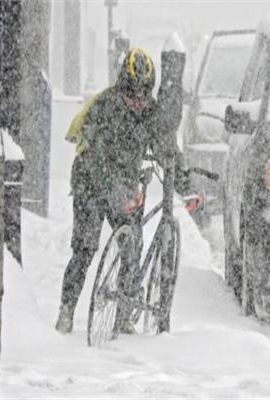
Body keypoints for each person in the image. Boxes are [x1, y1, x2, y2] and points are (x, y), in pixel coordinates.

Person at [56, 48, 189, 334]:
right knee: (85, 248)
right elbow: (95, 159)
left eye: (144, 95)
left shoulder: (150, 111)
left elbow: (166, 147)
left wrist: (184, 179)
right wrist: (115, 188)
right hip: (89, 182)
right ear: (122, 86)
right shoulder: (106, 106)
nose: (138, 102)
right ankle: (65, 312)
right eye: (132, 95)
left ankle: (124, 312)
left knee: (131, 246)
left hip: (124, 184)